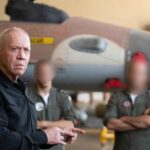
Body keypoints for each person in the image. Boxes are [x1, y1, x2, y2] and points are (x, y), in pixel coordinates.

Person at [0, 27, 84, 150]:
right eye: (14, 49)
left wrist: (56, 135)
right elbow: (2, 139)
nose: (22, 56)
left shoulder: (20, 89)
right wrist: (44, 136)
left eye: (26, 50)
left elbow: (25, 134)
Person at [26, 59, 77, 150]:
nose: (45, 75)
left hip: (56, 147)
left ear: (53, 74)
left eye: (48, 72)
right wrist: (58, 124)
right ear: (35, 74)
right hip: (33, 146)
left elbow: (70, 124)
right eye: (42, 72)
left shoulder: (62, 96)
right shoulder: (25, 95)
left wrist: (42, 124)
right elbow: (22, 124)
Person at [104, 51, 150, 150]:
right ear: (128, 73)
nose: (136, 76)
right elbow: (110, 123)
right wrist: (141, 122)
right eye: (134, 72)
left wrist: (124, 119)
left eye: (140, 73)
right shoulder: (116, 97)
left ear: (145, 76)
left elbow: (148, 121)